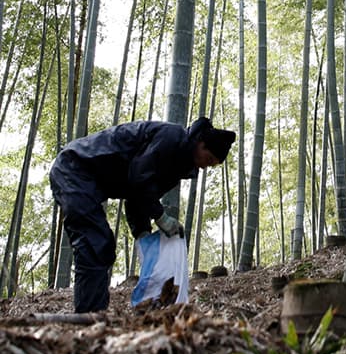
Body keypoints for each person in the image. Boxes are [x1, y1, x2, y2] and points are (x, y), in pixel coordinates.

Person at [49, 116, 236, 313]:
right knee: (95, 243)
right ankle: (89, 316)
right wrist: (161, 217)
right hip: (74, 168)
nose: (205, 166)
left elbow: (137, 196)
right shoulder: (171, 138)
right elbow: (139, 178)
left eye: (211, 164)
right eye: (208, 159)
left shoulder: (178, 164)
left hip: (87, 180)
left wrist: (143, 232)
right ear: (200, 143)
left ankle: (93, 313)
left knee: (102, 247)